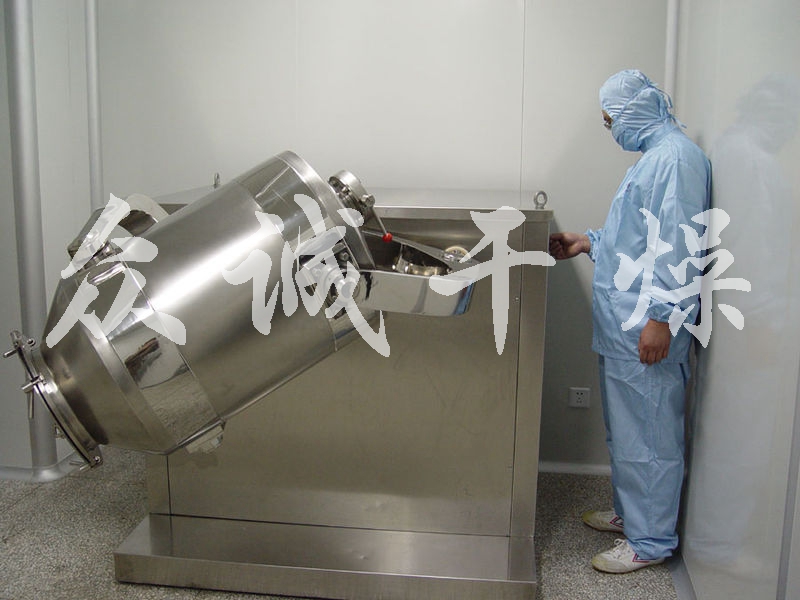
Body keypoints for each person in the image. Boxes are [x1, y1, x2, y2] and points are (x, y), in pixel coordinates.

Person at [549, 69, 711, 573]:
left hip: (646, 325)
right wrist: (587, 242)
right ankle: (631, 517)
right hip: (624, 325)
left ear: (634, 110)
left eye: (609, 119)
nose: (610, 129)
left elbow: (679, 244)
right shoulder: (656, 158)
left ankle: (650, 542)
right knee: (628, 432)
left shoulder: (676, 160)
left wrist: (662, 318)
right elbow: (634, 238)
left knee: (651, 438)